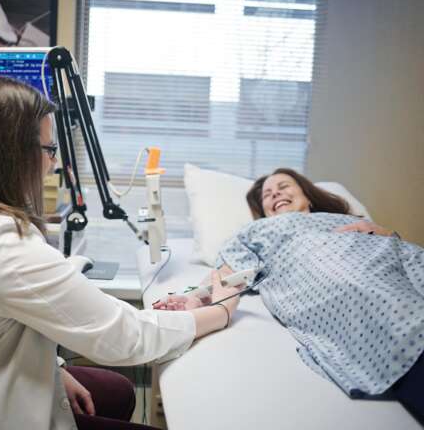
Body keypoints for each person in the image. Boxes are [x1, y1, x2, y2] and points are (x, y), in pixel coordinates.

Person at [0, 76, 240, 430]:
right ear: (10, 157)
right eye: (49, 149)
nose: (55, 162)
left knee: (117, 391)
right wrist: (218, 312)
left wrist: (55, 368)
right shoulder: (1, 246)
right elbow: (124, 337)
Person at [155, 168, 424, 424]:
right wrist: (191, 297)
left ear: (307, 195)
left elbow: (400, 248)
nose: (275, 194)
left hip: (399, 259)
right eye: (267, 195)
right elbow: (225, 277)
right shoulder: (257, 232)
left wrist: (388, 234)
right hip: (346, 274)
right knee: (399, 312)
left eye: (283, 186)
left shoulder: (352, 220)